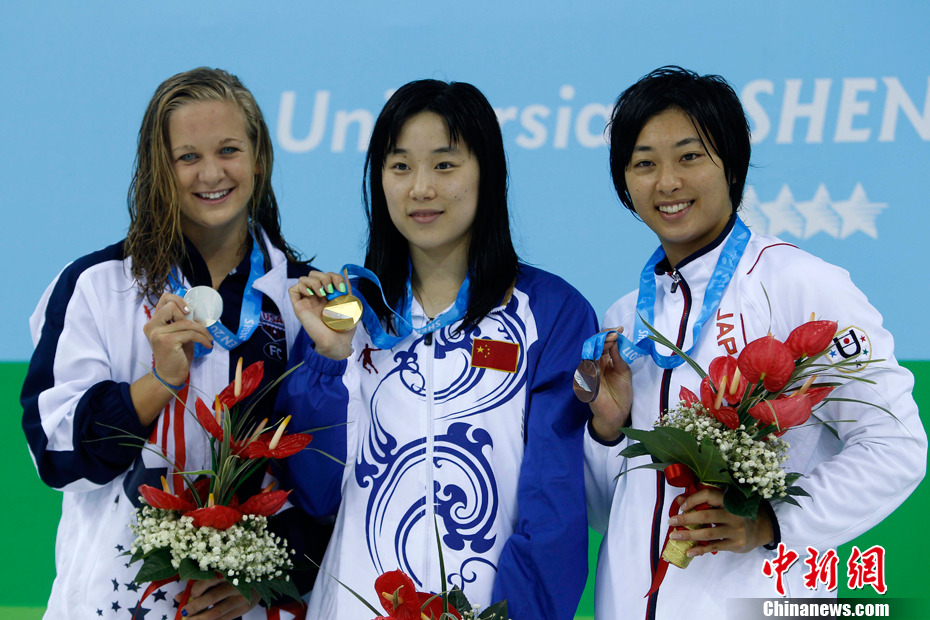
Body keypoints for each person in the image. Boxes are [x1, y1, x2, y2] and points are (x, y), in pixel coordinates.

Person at [583, 66, 927, 620]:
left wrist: (771, 522)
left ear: (733, 165)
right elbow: (609, 513)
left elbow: (896, 445)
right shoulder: (626, 319)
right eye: (644, 163)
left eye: (690, 156)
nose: (667, 182)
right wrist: (606, 429)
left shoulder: (798, 284)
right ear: (625, 181)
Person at [275, 79, 597, 620]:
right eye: (400, 166)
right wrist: (328, 357)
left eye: (445, 165)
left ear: (487, 173)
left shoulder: (550, 312)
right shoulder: (346, 311)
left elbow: (553, 507)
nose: (421, 188)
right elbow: (315, 496)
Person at [21, 67, 330, 619]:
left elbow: (333, 478)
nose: (211, 173)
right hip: (113, 602)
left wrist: (272, 575)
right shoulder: (96, 286)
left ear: (259, 158)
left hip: (251, 606)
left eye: (229, 150)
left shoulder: (303, 301)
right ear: (158, 169)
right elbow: (55, 455)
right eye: (187, 156)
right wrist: (159, 381)